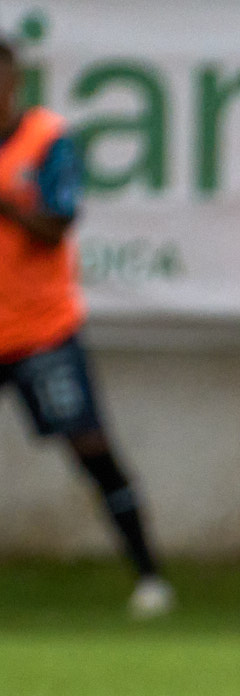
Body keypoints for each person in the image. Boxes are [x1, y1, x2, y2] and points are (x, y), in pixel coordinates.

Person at [0, 39, 173, 619]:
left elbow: (57, 223)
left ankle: (150, 577)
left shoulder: (46, 140)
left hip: (41, 329)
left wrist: (6, 204)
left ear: (15, 80)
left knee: (91, 447)